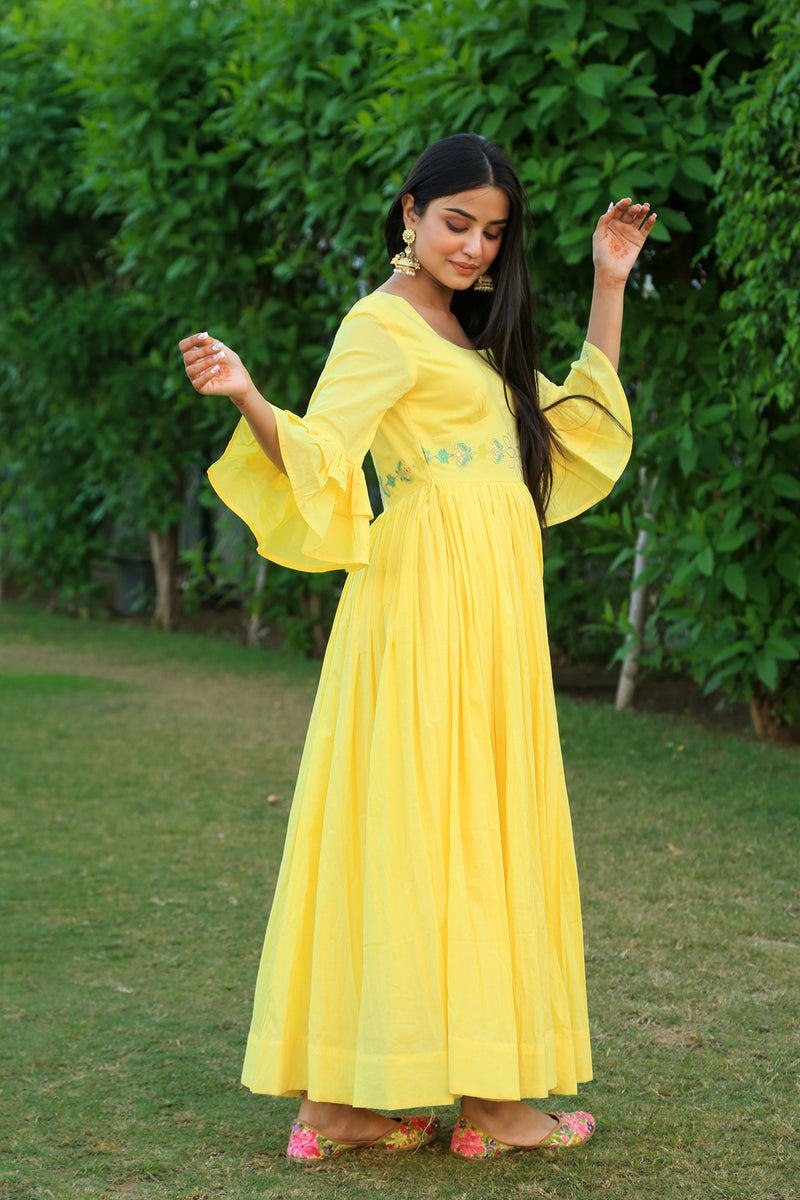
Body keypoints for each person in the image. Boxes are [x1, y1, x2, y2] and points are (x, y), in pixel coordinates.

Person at [179, 133, 656, 1164]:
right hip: (427, 600)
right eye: (455, 223)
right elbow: (321, 454)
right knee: (426, 822)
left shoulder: (469, 333)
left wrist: (609, 283)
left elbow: (569, 433)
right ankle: (465, 1106)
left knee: (462, 822)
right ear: (409, 213)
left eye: (492, 232)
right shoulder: (380, 324)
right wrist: (249, 395)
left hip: (493, 605)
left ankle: (370, 1107)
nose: (473, 247)